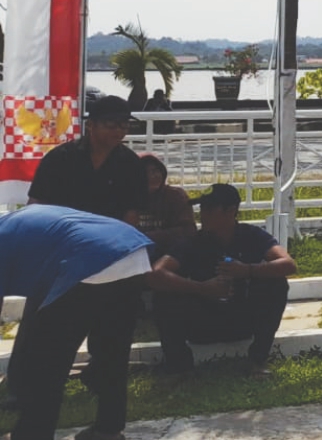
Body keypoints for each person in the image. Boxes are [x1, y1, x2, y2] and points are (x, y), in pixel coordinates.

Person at [0, 205, 152, 440]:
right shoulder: (15, 224)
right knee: (112, 352)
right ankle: (108, 430)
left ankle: (32, 434)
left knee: (45, 361)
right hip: (130, 253)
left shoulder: (5, 237)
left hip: (86, 258)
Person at [149, 184, 297, 375]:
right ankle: (179, 366)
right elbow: (156, 273)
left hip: (242, 317)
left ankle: (258, 360)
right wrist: (201, 288)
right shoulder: (192, 242)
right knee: (164, 296)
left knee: (276, 284)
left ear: (231, 211)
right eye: (202, 208)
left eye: (210, 209)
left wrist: (248, 270)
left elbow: (288, 264)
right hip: (203, 320)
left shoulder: (251, 236)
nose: (203, 214)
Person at [28, 93, 146, 224]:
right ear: (90, 125)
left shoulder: (131, 163)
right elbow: (36, 203)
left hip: (110, 232)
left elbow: (132, 213)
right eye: (111, 123)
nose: (118, 130)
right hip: (62, 230)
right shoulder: (59, 157)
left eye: (124, 124)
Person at [136, 153, 196, 248]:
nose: (153, 176)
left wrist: (149, 237)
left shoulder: (176, 196)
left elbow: (188, 230)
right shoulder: (130, 198)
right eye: (146, 173)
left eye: (156, 171)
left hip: (171, 250)